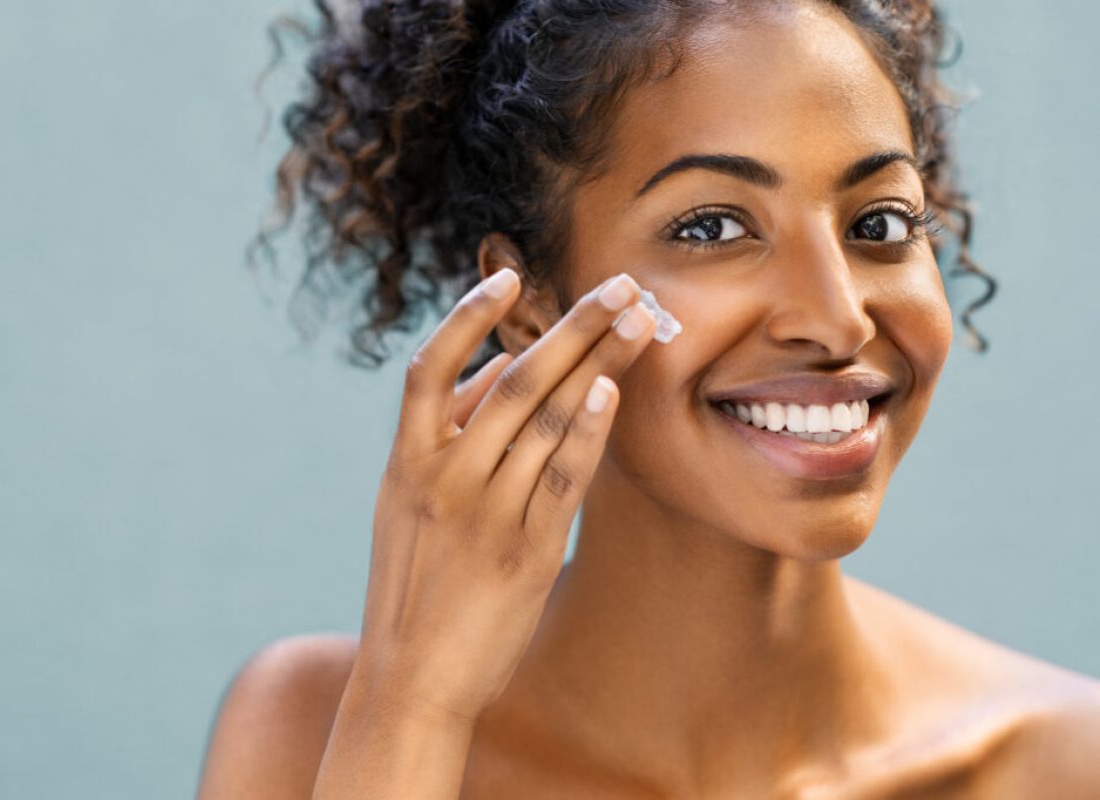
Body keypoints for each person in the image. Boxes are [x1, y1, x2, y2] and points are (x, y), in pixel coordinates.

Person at [198, 1, 1100, 797]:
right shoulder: (313, 734)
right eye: (712, 227)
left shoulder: (1066, 765)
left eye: (880, 225)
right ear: (528, 299)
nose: (836, 319)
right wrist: (414, 713)